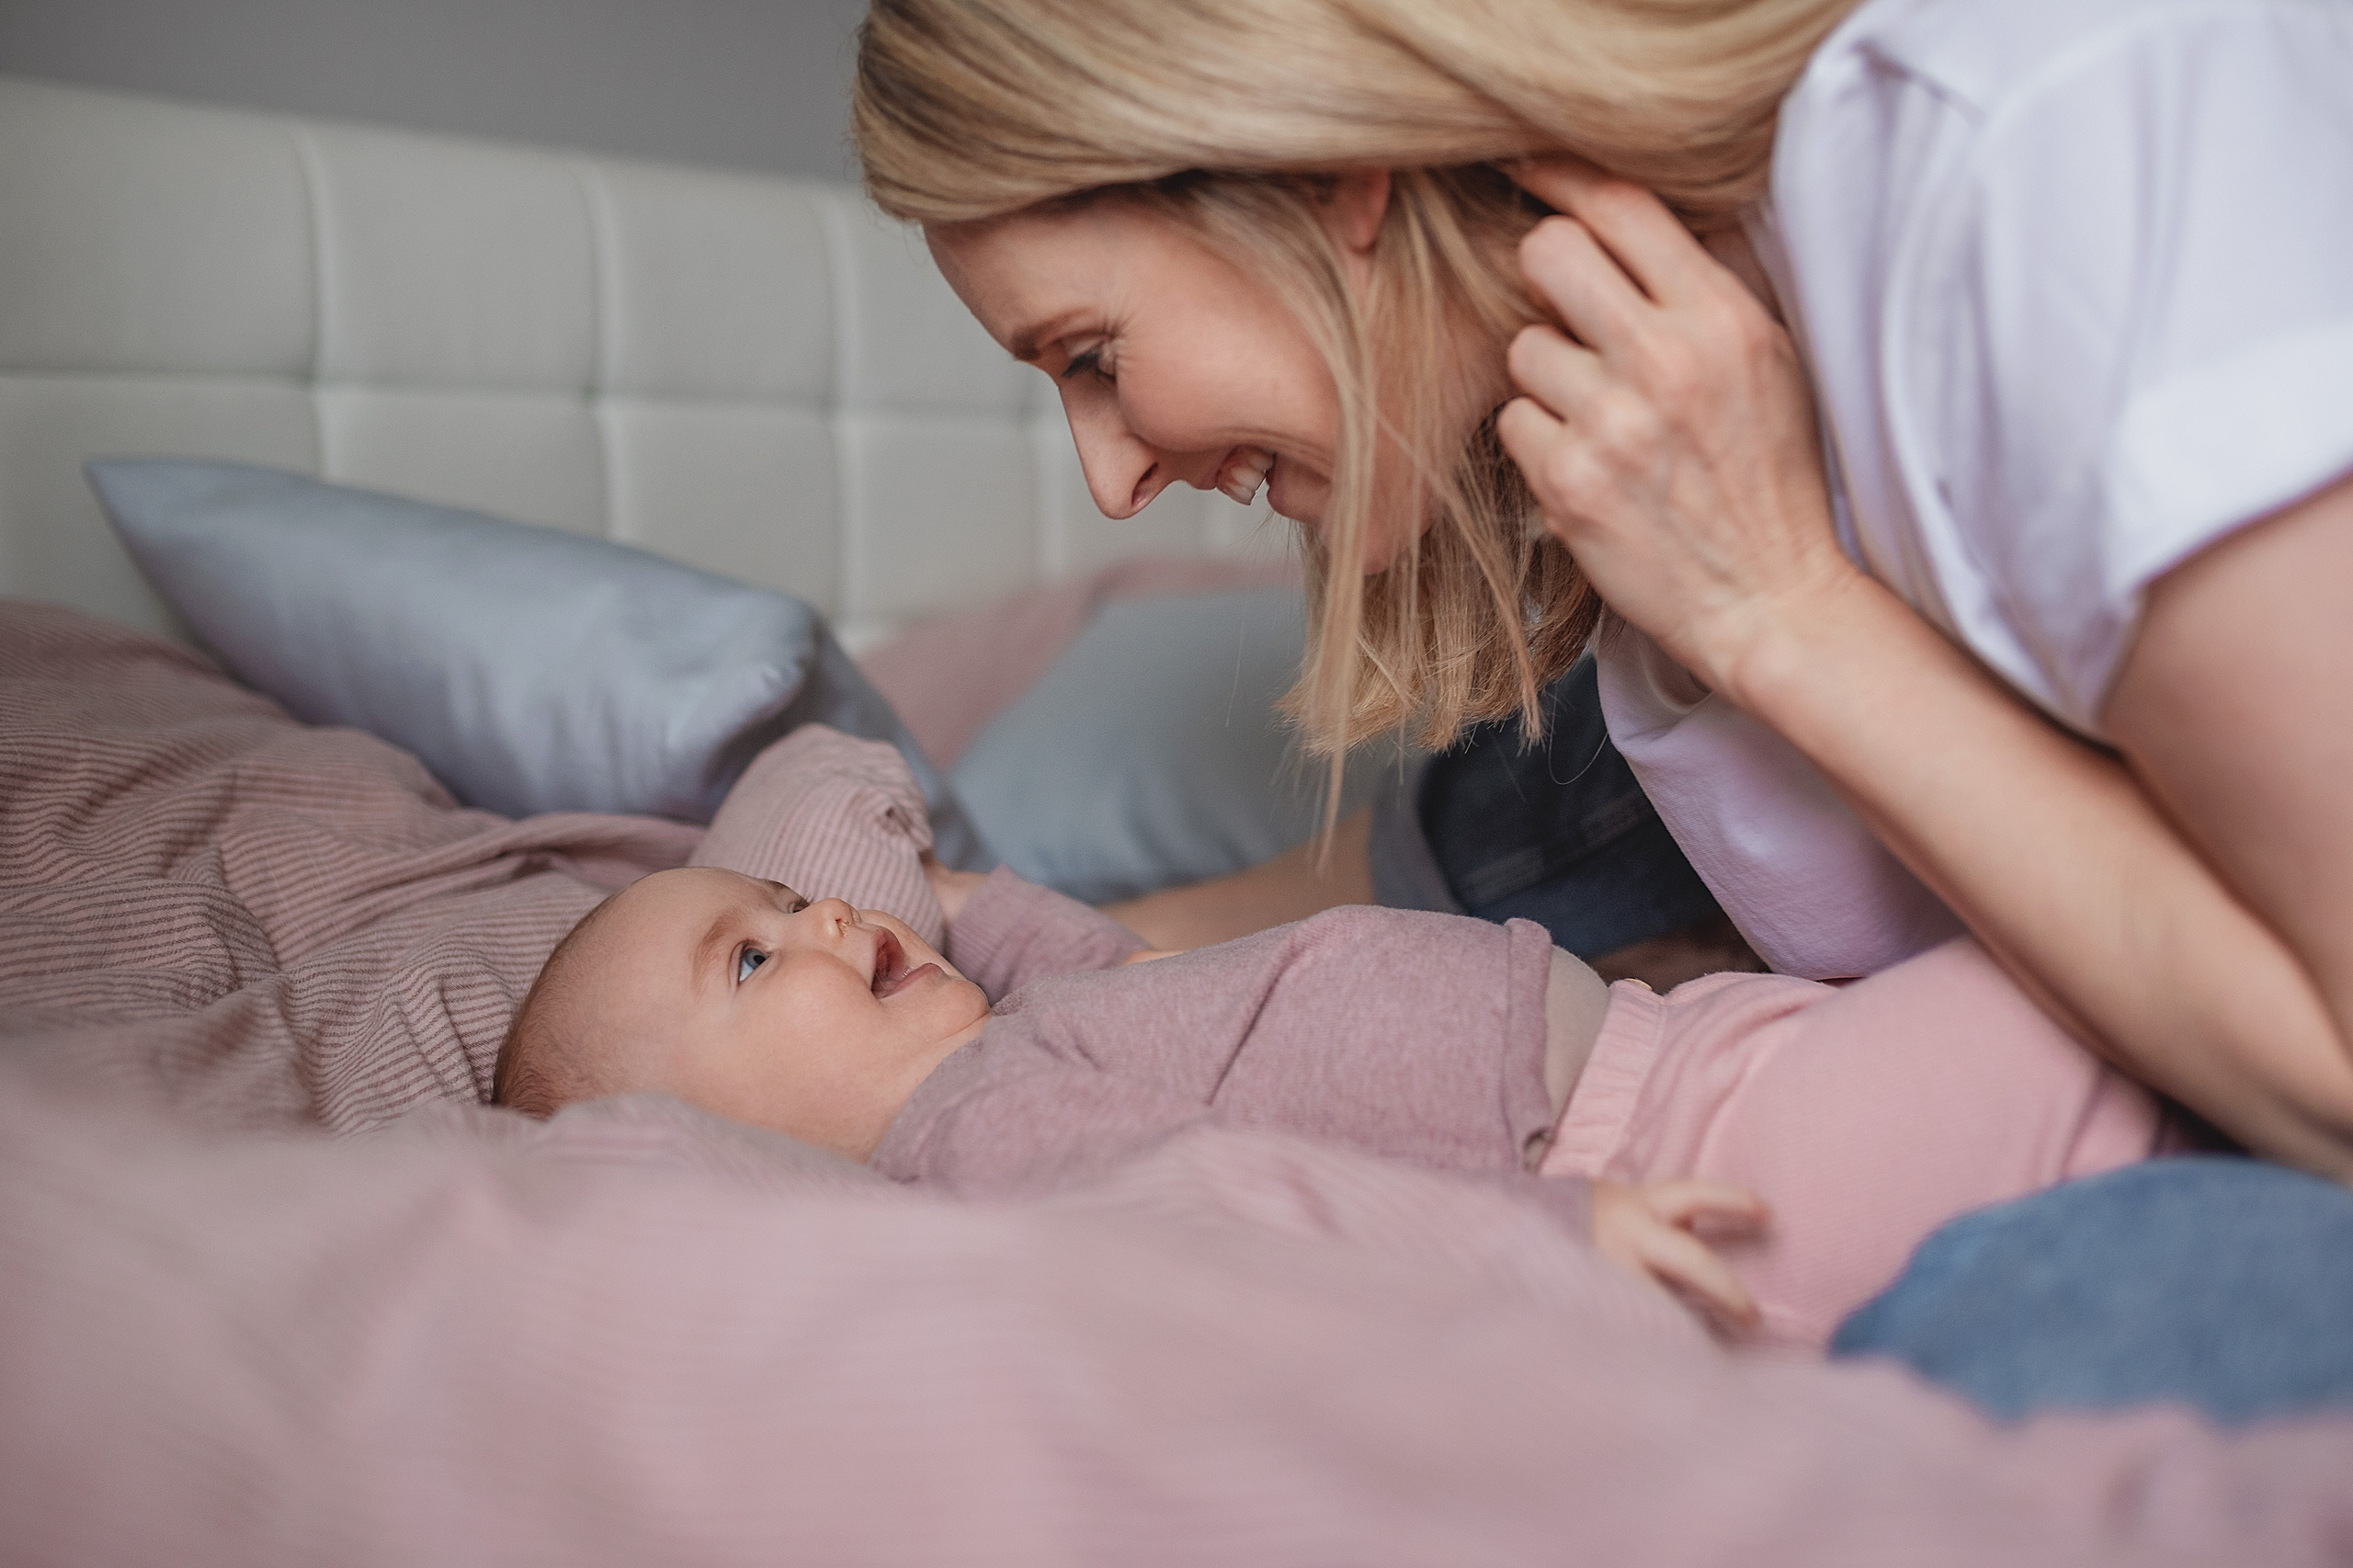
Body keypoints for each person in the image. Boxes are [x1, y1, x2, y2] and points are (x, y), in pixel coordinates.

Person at [847, 0, 2353, 1412]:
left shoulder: (2042, 158)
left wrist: (1779, 607)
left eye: (1093, 359)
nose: (1111, 481)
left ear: (1323, 173)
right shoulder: (1631, 439)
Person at [494, 726, 2169, 1351]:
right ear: (729, 1139)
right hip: (1641, 1171)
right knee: (2084, 1024)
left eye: (795, 899)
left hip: (1680, 1052)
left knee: (2093, 989)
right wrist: (1550, 1248)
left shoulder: (1023, 1031)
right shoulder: (975, 1139)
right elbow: (1244, 1205)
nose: (828, 924)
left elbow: (1064, 936)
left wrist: (927, 885)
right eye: (751, 958)